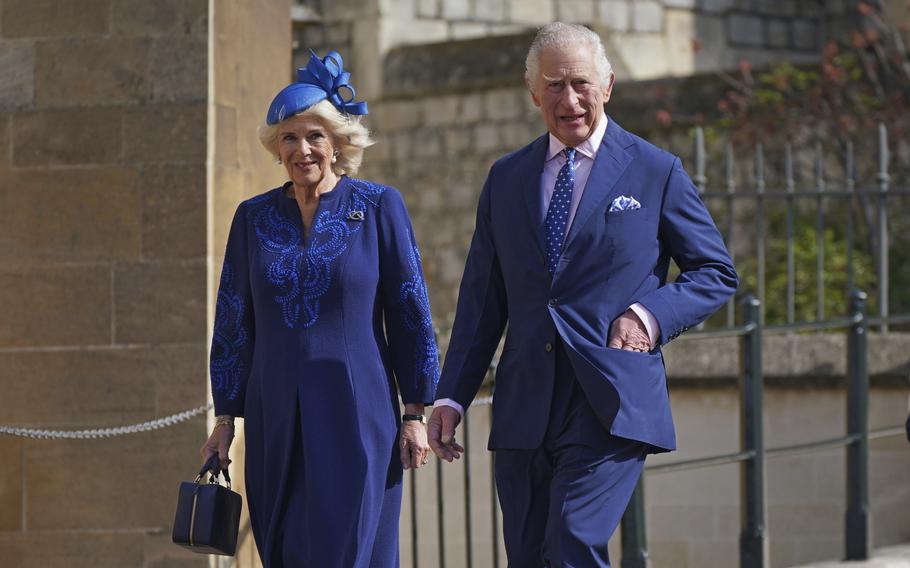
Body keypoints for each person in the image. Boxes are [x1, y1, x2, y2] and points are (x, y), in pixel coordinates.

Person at [428, 22, 737, 567]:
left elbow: (714, 271)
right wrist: (452, 395)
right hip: (525, 400)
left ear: (608, 86)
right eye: (553, 86)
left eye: (580, 84)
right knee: (527, 554)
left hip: (608, 395)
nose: (568, 100)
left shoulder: (655, 171)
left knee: (571, 542)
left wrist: (648, 316)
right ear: (532, 94)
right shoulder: (506, 178)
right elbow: (483, 299)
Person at [200, 51, 440, 567]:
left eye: (315, 136)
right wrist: (225, 418)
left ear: (338, 144)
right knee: (283, 545)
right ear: (276, 147)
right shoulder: (252, 217)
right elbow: (233, 319)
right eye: (289, 137)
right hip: (274, 411)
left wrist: (415, 411)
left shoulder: (379, 206)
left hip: (357, 406)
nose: (302, 149)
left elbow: (410, 311)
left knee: (348, 545)